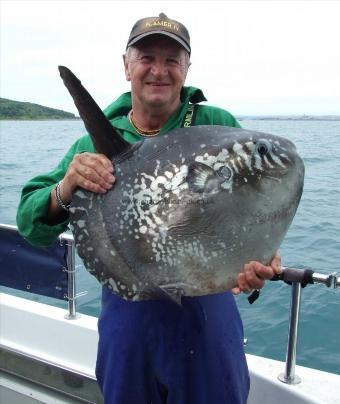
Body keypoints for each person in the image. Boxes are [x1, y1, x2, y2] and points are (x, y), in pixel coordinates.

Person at [17, 13, 281, 404]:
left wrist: (261, 254)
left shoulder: (217, 125)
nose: (159, 70)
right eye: (146, 58)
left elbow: (253, 206)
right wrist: (67, 187)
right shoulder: (93, 141)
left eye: (172, 60)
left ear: (187, 68)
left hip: (207, 314)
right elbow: (30, 224)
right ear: (126, 65)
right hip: (128, 317)